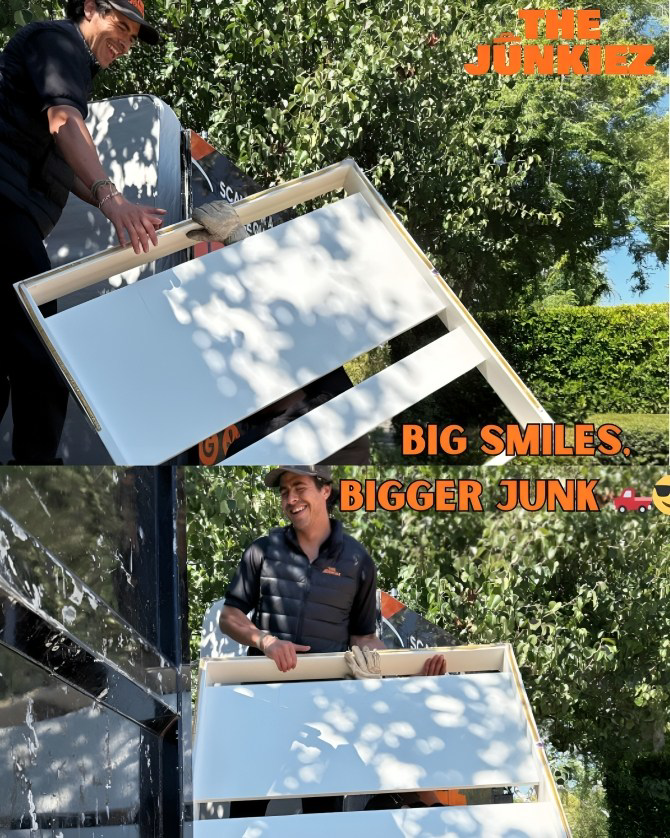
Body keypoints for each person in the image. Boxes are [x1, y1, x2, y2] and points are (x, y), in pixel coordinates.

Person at [219, 464, 446, 817]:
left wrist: (408, 671)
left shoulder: (357, 560)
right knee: (246, 808)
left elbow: (363, 638)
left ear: (325, 490)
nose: (290, 499)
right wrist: (266, 642)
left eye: (299, 487)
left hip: (326, 708)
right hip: (265, 702)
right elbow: (229, 617)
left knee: (323, 813)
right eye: (284, 491)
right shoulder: (262, 551)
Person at [0, 0, 165, 463]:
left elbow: (61, 163)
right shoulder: (58, 42)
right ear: (89, 7)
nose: (126, 43)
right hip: (5, 213)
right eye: (121, 25)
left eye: (133, 37)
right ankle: (37, 475)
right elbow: (64, 122)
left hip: (12, 217)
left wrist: (108, 200)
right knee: (44, 360)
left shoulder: (65, 63)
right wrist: (113, 200)